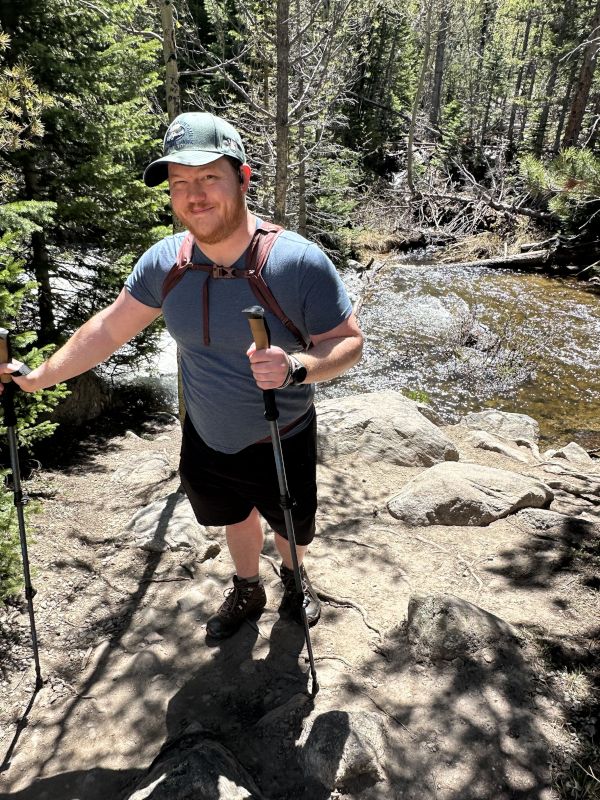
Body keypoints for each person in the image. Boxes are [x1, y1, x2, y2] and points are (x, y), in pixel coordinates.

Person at [0, 112, 363, 640]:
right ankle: (247, 586)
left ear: (243, 177)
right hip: (206, 431)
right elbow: (106, 329)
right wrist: (35, 379)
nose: (194, 196)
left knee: (289, 521)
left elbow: (348, 341)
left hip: (280, 432)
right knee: (233, 514)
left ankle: (294, 578)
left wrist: (296, 367)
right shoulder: (165, 263)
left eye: (209, 177)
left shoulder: (297, 262)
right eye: (179, 183)